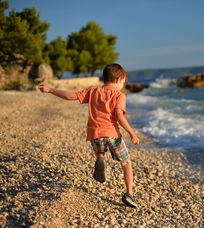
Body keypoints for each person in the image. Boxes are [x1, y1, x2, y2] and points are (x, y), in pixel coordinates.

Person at [39, 63, 140, 208]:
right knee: (126, 163)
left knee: (99, 148)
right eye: (123, 82)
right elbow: (118, 115)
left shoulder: (93, 91)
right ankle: (129, 194)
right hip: (112, 134)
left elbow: (70, 96)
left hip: (94, 134)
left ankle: (100, 157)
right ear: (119, 79)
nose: (123, 85)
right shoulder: (119, 95)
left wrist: (50, 89)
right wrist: (132, 132)